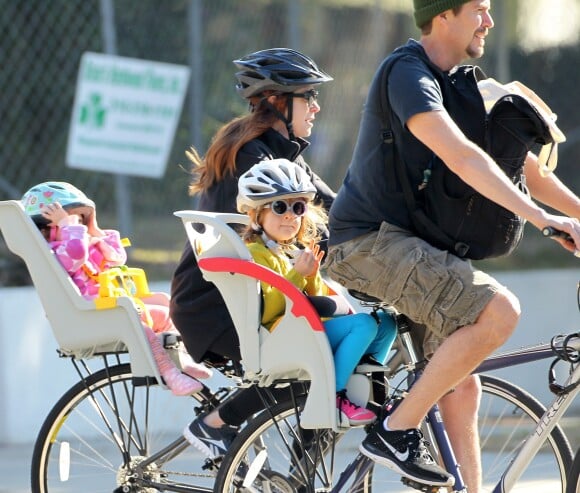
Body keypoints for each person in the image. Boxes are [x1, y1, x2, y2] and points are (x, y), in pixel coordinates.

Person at [324, 1, 580, 491]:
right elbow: (462, 157)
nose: (489, 21)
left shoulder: (464, 84)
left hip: (409, 244)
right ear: (443, 15)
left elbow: (527, 169)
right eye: (479, 9)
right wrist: (543, 221)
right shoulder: (407, 74)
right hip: (369, 242)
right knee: (498, 312)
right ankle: (394, 431)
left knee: (459, 380)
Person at [169, 48, 336, 456]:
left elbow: (340, 207)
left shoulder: (275, 150)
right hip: (217, 305)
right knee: (310, 365)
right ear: (279, 102)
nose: (316, 107)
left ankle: (302, 474)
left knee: (319, 363)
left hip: (237, 297)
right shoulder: (254, 157)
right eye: (308, 96)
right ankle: (215, 425)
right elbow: (321, 218)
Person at [236, 159, 397, 428]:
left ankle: (369, 388)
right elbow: (270, 307)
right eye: (279, 207)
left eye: (297, 207)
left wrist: (310, 277)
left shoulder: (290, 251)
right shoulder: (255, 254)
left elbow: (317, 299)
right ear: (256, 215)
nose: (289, 215)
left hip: (307, 328)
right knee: (364, 325)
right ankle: (333, 396)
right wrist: (298, 274)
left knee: (386, 323)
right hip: (284, 334)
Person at [21, 182, 212, 397]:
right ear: (45, 230)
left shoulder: (83, 242)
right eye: (68, 222)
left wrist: (96, 233)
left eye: (81, 220)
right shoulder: (57, 251)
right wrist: (69, 227)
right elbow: (75, 254)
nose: (78, 226)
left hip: (108, 305)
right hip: (90, 314)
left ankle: (180, 359)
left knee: (163, 301)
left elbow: (117, 258)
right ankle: (170, 374)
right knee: (139, 326)